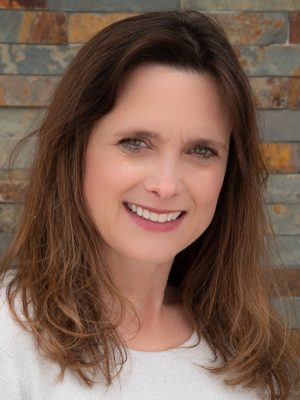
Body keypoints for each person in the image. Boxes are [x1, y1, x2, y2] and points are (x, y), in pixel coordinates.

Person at [0, 10, 298, 400]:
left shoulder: (244, 355)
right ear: (75, 150)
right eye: (135, 143)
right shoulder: (10, 337)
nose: (166, 184)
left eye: (202, 150)